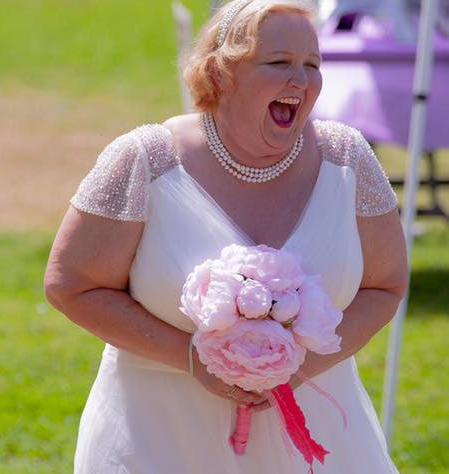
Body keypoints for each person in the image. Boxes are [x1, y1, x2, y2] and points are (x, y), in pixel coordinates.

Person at [44, 0, 408, 472]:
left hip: (320, 434)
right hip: (161, 432)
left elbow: (386, 286)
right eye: (279, 63)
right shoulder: (145, 161)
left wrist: (297, 369)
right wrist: (195, 359)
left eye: (312, 65)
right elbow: (70, 284)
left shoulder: (347, 159)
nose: (301, 81)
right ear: (221, 74)